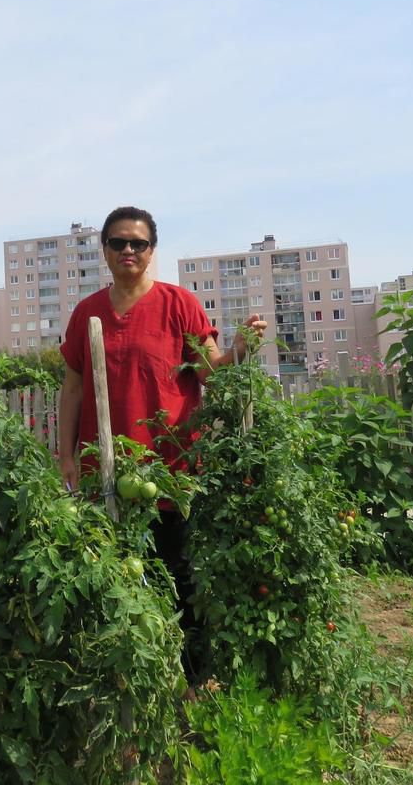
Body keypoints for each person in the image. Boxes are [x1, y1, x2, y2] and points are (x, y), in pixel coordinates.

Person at [58, 206, 267, 680]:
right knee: (111, 574)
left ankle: (192, 678)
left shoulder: (179, 304)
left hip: (168, 468)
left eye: (138, 243)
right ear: (105, 250)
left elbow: (208, 368)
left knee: (176, 573)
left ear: (152, 250)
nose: (128, 251)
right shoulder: (87, 312)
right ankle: (125, 676)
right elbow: (71, 388)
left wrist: (238, 349)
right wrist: (65, 454)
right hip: (103, 471)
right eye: (118, 243)